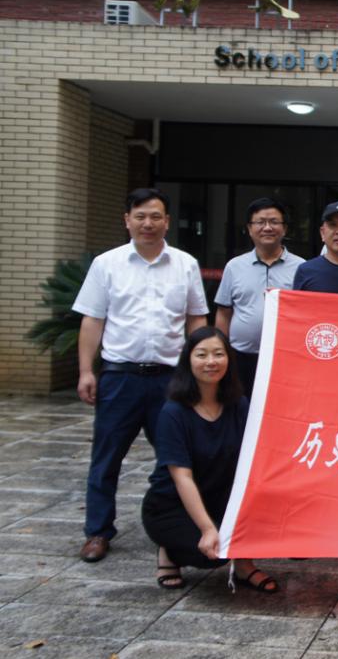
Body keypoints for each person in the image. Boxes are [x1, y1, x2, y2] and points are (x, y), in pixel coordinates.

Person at [73, 188, 208, 563]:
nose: (148, 223)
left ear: (167, 221)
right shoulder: (107, 264)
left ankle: (173, 528)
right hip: (120, 377)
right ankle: (98, 531)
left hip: (170, 379)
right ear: (127, 220)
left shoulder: (185, 264)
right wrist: (86, 371)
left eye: (155, 216)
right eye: (140, 216)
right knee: (106, 457)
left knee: (175, 458)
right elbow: (93, 319)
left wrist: (197, 370)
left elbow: (196, 318)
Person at [141, 327, 278, 593]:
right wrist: (207, 529)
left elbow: (254, 456)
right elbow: (182, 477)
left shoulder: (238, 404)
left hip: (219, 498)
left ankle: (244, 565)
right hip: (171, 505)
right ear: (188, 360)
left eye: (218, 354)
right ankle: (168, 551)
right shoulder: (173, 412)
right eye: (201, 355)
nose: (211, 362)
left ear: (229, 359)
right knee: (213, 554)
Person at [214, 198, 304, 397]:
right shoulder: (234, 266)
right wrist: (222, 351)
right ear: (249, 228)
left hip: (285, 358)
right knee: (239, 407)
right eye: (260, 222)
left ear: (284, 229)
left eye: (274, 222)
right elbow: (223, 312)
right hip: (241, 358)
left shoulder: (302, 268)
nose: (267, 227)